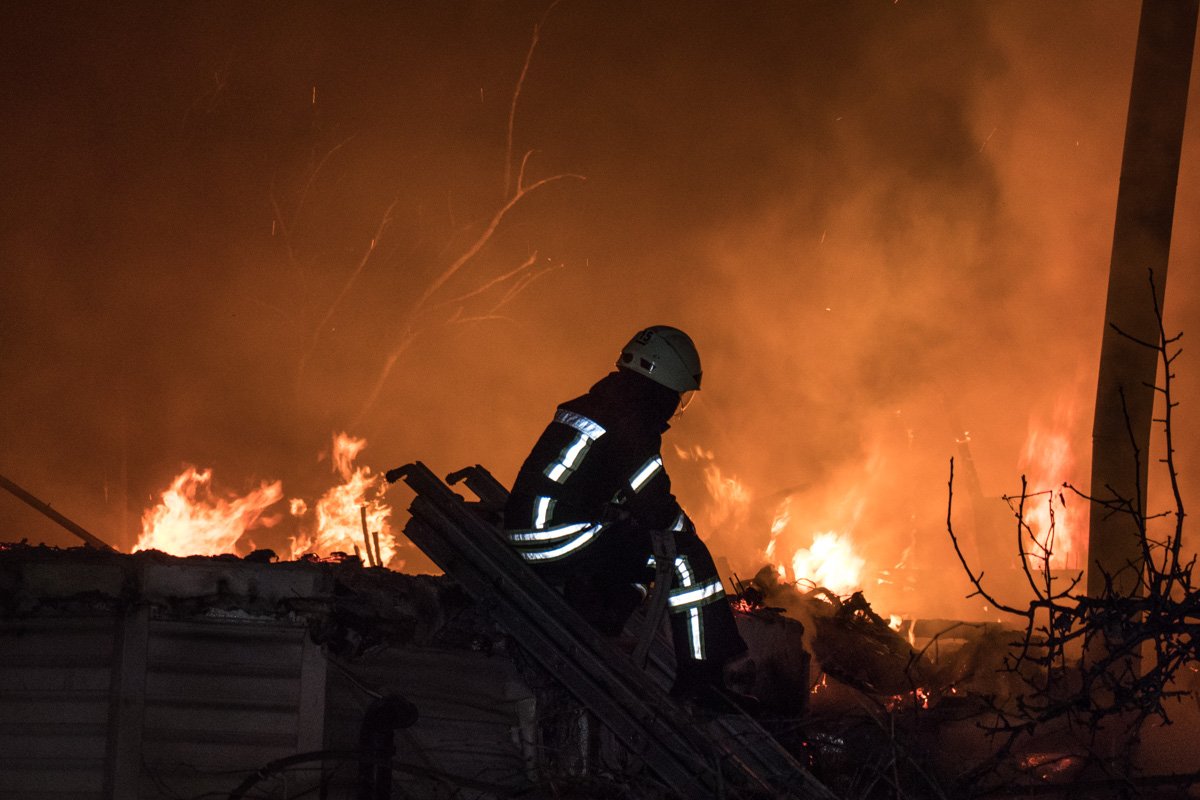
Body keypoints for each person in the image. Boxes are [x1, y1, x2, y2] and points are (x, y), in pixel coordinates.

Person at [503, 325, 751, 706]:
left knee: (635, 547)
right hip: (556, 540)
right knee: (685, 559)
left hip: (538, 533)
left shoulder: (597, 406)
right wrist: (690, 537)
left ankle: (599, 614)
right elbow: (657, 507)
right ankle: (701, 682)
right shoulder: (629, 423)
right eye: (678, 395)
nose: (676, 406)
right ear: (662, 387)